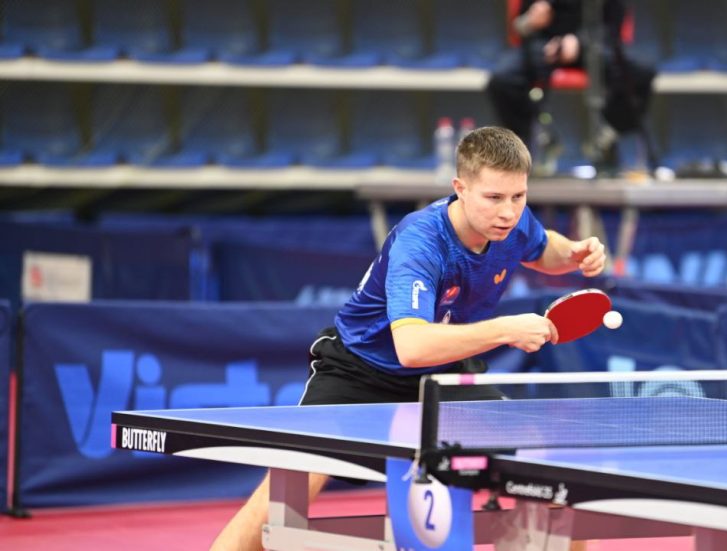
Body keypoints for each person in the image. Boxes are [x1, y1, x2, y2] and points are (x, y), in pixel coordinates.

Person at [209, 126, 607, 550]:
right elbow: (412, 348)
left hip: (443, 376)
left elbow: (541, 247)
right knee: (285, 492)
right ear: (460, 188)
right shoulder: (421, 242)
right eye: (494, 197)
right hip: (360, 373)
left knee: (548, 464)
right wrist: (506, 329)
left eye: (518, 196)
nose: (508, 212)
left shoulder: (511, 223)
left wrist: (572, 254)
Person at [486, 0, 657, 176]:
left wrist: (580, 42)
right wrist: (530, 21)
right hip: (544, 45)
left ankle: (608, 134)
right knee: (503, 79)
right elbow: (520, 26)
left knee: (641, 72)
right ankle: (527, 143)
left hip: (595, 43)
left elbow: (614, 25)